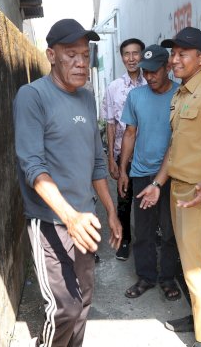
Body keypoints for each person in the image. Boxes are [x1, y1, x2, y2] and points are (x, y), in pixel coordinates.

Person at [13, 18, 122, 347]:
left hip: (85, 221)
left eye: (85, 56)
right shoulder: (32, 96)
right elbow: (32, 166)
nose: (80, 62)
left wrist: (110, 211)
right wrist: (69, 217)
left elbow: (97, 161)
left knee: (84, 299)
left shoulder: (87, 98)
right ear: (51, 55)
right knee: (63, 308)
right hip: (50, 222)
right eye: (70, 54)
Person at [137, 27, 201, 347]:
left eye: (183, 54)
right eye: (174, 53)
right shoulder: (181, 94)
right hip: (178, 187)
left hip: (198, 192)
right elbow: (175, 148)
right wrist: (157, 183)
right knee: (188, 256)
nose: (175, 59)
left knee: (195, 265)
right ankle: (199, 317)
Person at [116, 45, 181, 301]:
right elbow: (130, 133)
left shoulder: (180, 95)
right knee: (143, 230)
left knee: (169, 229)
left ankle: (167, 278)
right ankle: (146, 277)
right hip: (142, 173)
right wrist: (124, 170)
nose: (150, 77)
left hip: (172, 174)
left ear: (167, 68)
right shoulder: (136, 97)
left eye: (154, 72)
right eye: (146, 72)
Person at [101, 38, 146, 260]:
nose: (131, 58)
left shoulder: (151, 84)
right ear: (121, 57)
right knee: (124, 199)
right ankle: (124, 240)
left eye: (135, 53)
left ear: (142, 55)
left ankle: (147, 240)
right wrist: (111, 158)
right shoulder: (114, 88)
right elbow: (110, 124)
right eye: (126, 54)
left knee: (147, 198)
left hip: (147, 154)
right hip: (123, 153)